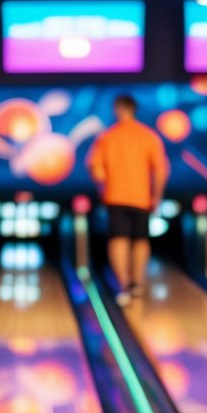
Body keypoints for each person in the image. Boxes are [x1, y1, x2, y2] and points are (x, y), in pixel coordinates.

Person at [88, 93, 168, 307]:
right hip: (141, 197)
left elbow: (96, 171)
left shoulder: (107, 137)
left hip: (116, 196)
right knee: (140, 239)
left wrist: (103, 189)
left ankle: (123, 284)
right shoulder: (149, 136)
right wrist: (156, 196)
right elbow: (160, 169)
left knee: (119, 239)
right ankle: (137, 284)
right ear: (134, 110)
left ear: (117, 110)